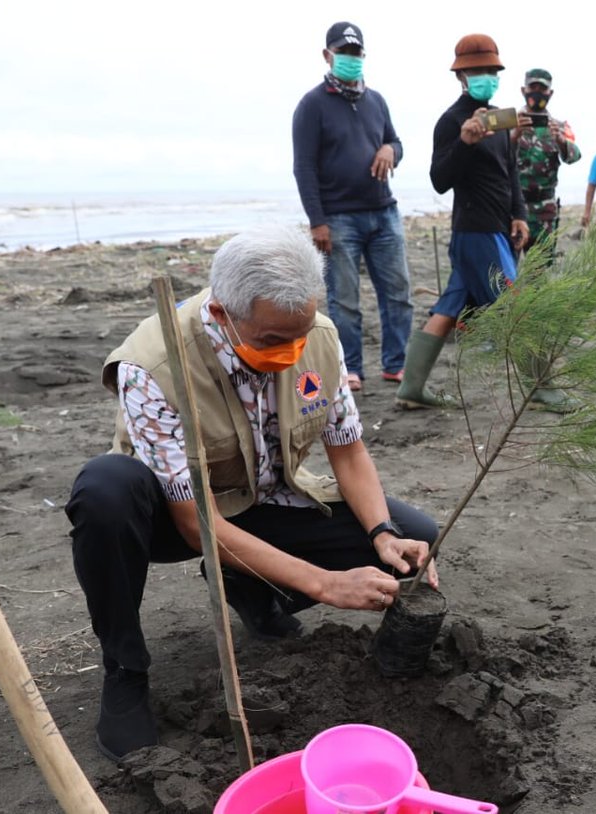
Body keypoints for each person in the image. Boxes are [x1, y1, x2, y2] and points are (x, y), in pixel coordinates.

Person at [66, 225, 439, 760]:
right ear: (221, 314)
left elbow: (349, 451)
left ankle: (256, 593)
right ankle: (125, 669)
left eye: (299, 336)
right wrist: (327, 584)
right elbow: (198, 524)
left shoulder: (321, 340)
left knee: (415, 537)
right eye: (270, 341)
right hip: (173, 518)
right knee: (105, 489)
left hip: (267, 499)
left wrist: (382, 534)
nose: (290, 354)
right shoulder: (151, 367)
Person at [395, 33, 536, 409]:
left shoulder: (500, 121)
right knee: (517, 306)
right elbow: (439, 180)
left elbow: (510, 175)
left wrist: (519, 215)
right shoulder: (452, 122)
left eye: (491, 70)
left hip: (496, 228)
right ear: (461, 76)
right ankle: (540, 388)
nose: (486, 76)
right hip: (475, 231)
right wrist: (464, 143)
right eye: (477, 71)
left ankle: (411, 386)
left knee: (449, 307)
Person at [292, 22, 414, 392]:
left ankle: (396, 364)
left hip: (384, 211)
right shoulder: (312, 105)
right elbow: (304, 167)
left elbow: (395, 140)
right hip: (338, 217)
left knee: (398, 293)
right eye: (343, 52)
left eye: (356, 52)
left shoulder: (376, 100)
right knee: (344, 300)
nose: (350, 58)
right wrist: (317, 221)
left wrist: (391, 149)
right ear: (327, 55)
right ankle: (351, 368)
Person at [512, 68, 582, 257]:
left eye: (542, 89)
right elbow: (494, 158)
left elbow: (575, 156)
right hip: (513, 209)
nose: (537, 93)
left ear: (550, 93)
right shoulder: (509, 123)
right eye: (532, 87)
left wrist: (559, 140)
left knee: (540, 273)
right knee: (505, 273)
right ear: (523, 90)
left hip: (544, 211)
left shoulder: (559, 127)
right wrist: (514, 135)